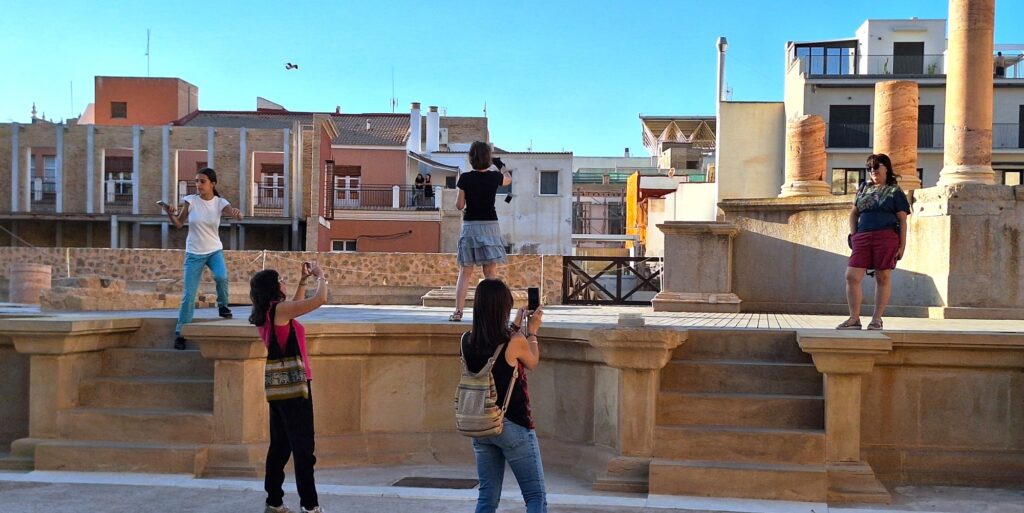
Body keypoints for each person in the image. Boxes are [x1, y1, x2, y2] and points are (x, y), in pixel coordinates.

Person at [249, 262, 329, 513]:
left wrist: (302, 281)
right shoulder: (280, 311)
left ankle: (274, 501)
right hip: (296, 387)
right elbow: (320, 300)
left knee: (280, 447)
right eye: (280, 279)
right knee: (304, 449)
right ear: (274, 288)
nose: (284, 281)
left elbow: (292, 309)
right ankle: (310, 506)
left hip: (279, 388)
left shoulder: (268, 313)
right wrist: (321, 276)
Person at [463, 279, 546, 513]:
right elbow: (531, 361)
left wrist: (515, 326)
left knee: (487, 497)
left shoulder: (466, 340)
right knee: (535, 497)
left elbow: (494, 346)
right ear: (503, 307)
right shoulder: (515, 341)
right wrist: (532, 333)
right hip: (512, 424)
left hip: (481, 423)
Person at [161, 167, 242, 350]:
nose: (198, 185)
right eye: (196, 181)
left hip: (214, 250)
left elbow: (233, 212)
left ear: (212, 183)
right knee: (189, 295)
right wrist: (169, 214)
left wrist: (237, 213)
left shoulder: (220, 202)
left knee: (221, 277)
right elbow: (179, 224)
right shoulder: (190, 201)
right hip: (194, 253)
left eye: (202, 181)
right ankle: (180, 333)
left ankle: (223, 306)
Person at [838, 154, 910, 331]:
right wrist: (854, 234)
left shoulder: (895, 191)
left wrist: (902, 246)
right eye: (869, 168)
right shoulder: (863, 188)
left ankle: (876, 319)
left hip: (886, 237)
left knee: (882, 277)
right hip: (862, 236)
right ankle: (854, 319)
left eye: (876, 167)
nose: (873, 171)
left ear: (886, 167)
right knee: (851, 276)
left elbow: (902, 220)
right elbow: (854, 213)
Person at [450, 142, 511, 322]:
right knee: (490, 273)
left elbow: (459, 205)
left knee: (465, 271)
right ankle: (494, 315)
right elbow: (508, 179)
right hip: (491, 226)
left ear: (471, 158)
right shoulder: (494, 177)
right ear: (487, 159)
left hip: (470, 226)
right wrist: (500, 164)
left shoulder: (466, 178)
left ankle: (458, 312)